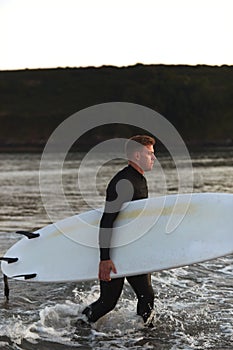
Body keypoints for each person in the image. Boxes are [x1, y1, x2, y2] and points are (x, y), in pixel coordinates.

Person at [82, 135, 156, 326]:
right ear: (138, 155)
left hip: (132, 249)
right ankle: (78, 326)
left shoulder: (139, 179)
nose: (153, 158)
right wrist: (105, 258)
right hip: (117, 252)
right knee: (107, 303)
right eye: (150, 154)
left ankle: (141, 334)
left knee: (146, 295)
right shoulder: (123, 182)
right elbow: (107, 220)